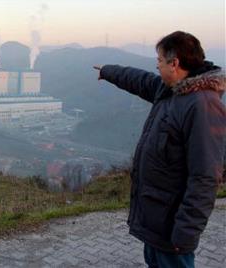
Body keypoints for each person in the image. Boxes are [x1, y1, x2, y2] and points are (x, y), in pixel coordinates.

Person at [93, 31, 226, 267]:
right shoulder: (172, 91)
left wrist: (185, 233)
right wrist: (108, 71)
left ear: (174, 64)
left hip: (173, 229)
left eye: (160, 60)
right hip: (158, 222)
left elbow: (205, 177)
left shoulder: (201, 105)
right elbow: (140, 80)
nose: (156, 65)